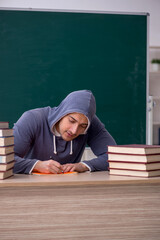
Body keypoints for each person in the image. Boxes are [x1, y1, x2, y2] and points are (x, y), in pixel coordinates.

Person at [13, 90, 116, 174]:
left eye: (83, 126)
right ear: (62, 113)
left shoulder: (90, 123)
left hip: (69, 188)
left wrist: (82, 166)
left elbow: (114, 157)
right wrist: (36, 165)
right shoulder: (32, 119)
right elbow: (3, 159)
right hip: (30, 187)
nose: (74, 130)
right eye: (71, 121)